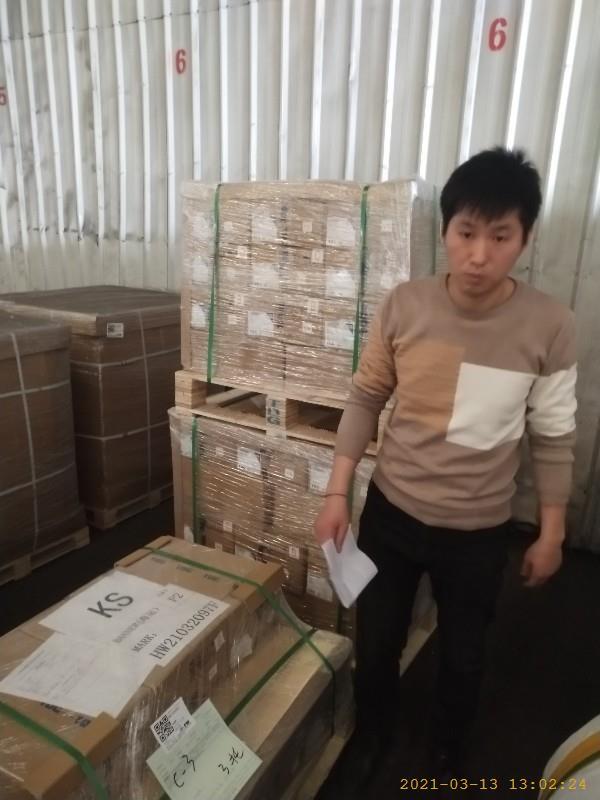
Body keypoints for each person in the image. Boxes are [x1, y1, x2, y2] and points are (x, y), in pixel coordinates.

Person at [314, 147, 578, 798]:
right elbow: (365, 398)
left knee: (464, 655)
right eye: (466, 233)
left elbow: (553, 436)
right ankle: (372, 736)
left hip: (479, 531)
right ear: (445, 231)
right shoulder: (405, 305)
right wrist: (337, 491)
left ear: (526, 238)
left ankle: (448, 751)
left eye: (500, 237)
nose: (479, 255)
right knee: (378, 643)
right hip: (392, 513)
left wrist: (551, 531)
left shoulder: (551, 325)